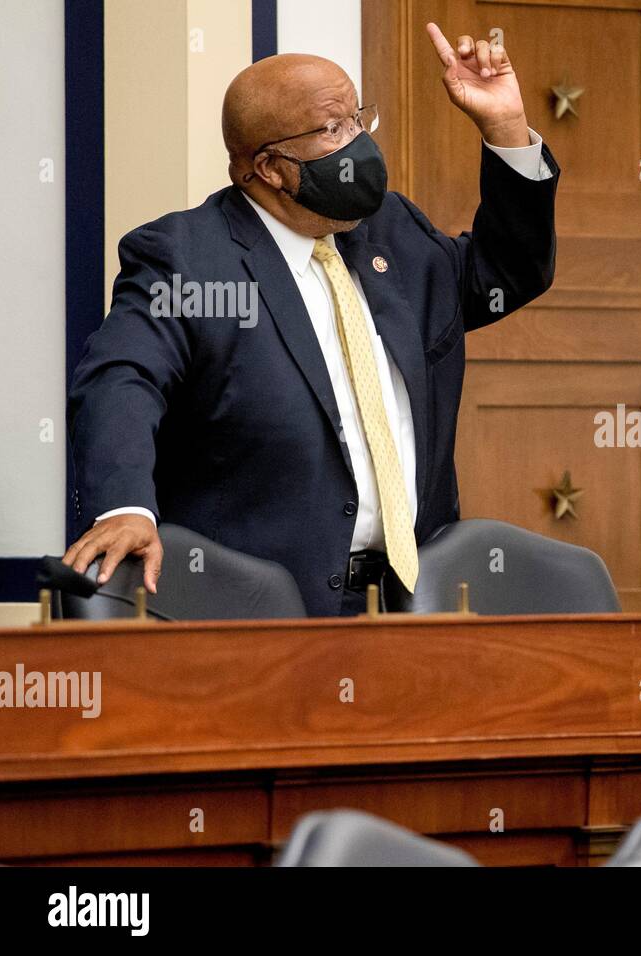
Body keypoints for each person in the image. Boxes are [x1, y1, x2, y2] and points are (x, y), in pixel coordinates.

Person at [64, 24, 558, 616]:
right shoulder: (189, 258)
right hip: (256, 616)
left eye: (358, 119)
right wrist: (124, 506)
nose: (358, 144)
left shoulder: (392, 232)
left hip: (414, 603)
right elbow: (122, 377)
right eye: (332, 129)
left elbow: (506, 275)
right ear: (270, 167)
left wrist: (504, 128)